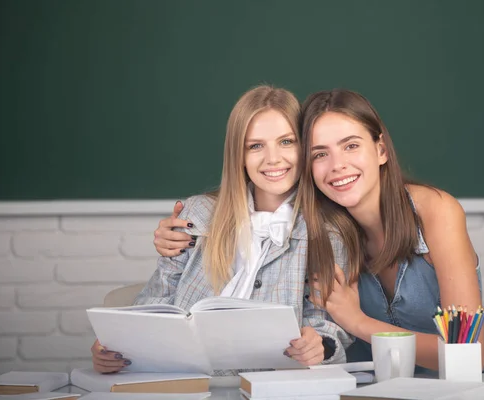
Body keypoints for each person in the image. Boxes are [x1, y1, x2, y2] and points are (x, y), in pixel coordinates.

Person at [152, 89, 484, 374]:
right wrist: (194, 227)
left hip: (460, 386)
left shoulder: (433, 211)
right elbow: (253, 199)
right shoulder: (322, 223)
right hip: (370, 385)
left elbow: (469, 353)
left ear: (380, 150)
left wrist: (359, 322)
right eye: (320, 153)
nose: (337, 166)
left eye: (351, 146)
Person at [90, 85, 355, 374]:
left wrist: (320, 344)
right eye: (255, 146)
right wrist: (116, 345)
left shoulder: (327, 232)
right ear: (238, 156)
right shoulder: (198, 216)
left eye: (286, 141)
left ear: (305, 147)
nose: (273, 159)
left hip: (273, 387)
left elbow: (327, 325)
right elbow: (156, 300)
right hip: (188, 381)